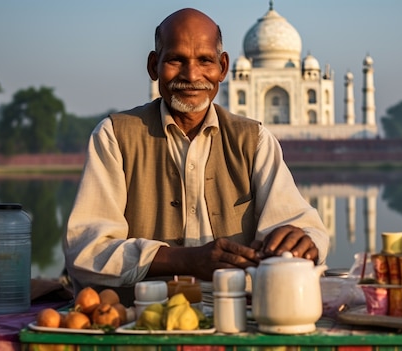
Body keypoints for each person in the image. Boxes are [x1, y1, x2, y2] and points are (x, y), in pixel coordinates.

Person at [62, 8, 329, 303]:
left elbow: (304, 226)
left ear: (223, 67)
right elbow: (86, 250)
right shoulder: (116, 136)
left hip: (239, 319)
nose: (191, 75)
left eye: (205, 60)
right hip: (139, 320)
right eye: (176, 60)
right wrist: (183, 260)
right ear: (154, 66)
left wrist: (303, 240)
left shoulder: (253, 141)